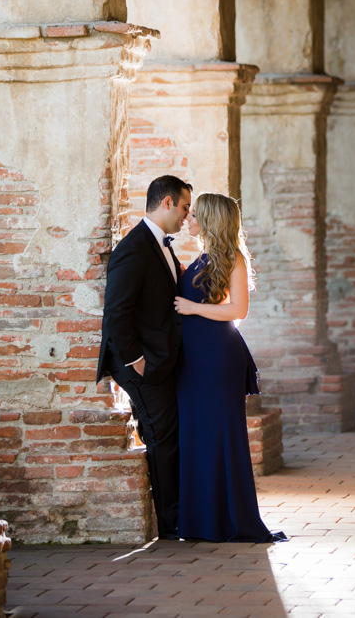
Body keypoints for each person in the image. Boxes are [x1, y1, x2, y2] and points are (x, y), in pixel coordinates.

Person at [173, 193, 286, 543]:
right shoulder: (202, 256)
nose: (188, 219)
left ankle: (232, 521)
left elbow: (239, 311)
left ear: (211, 220)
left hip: (218, 357)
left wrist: (193, 309)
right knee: (197, 437)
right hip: (195, 359)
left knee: (221, 436)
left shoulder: (233, 258)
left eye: (194, 215)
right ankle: (202, 522)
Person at [96, 175, 192, 541]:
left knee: (170, 435)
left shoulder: (161, 245)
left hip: (159, 359)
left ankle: (179, 516)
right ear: (166, 203)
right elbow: (116, 312)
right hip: (142, 365)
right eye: (184, 208)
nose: (186, 216)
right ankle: (172, 525)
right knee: (163, 437)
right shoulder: (133, 248)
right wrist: (137, 360)